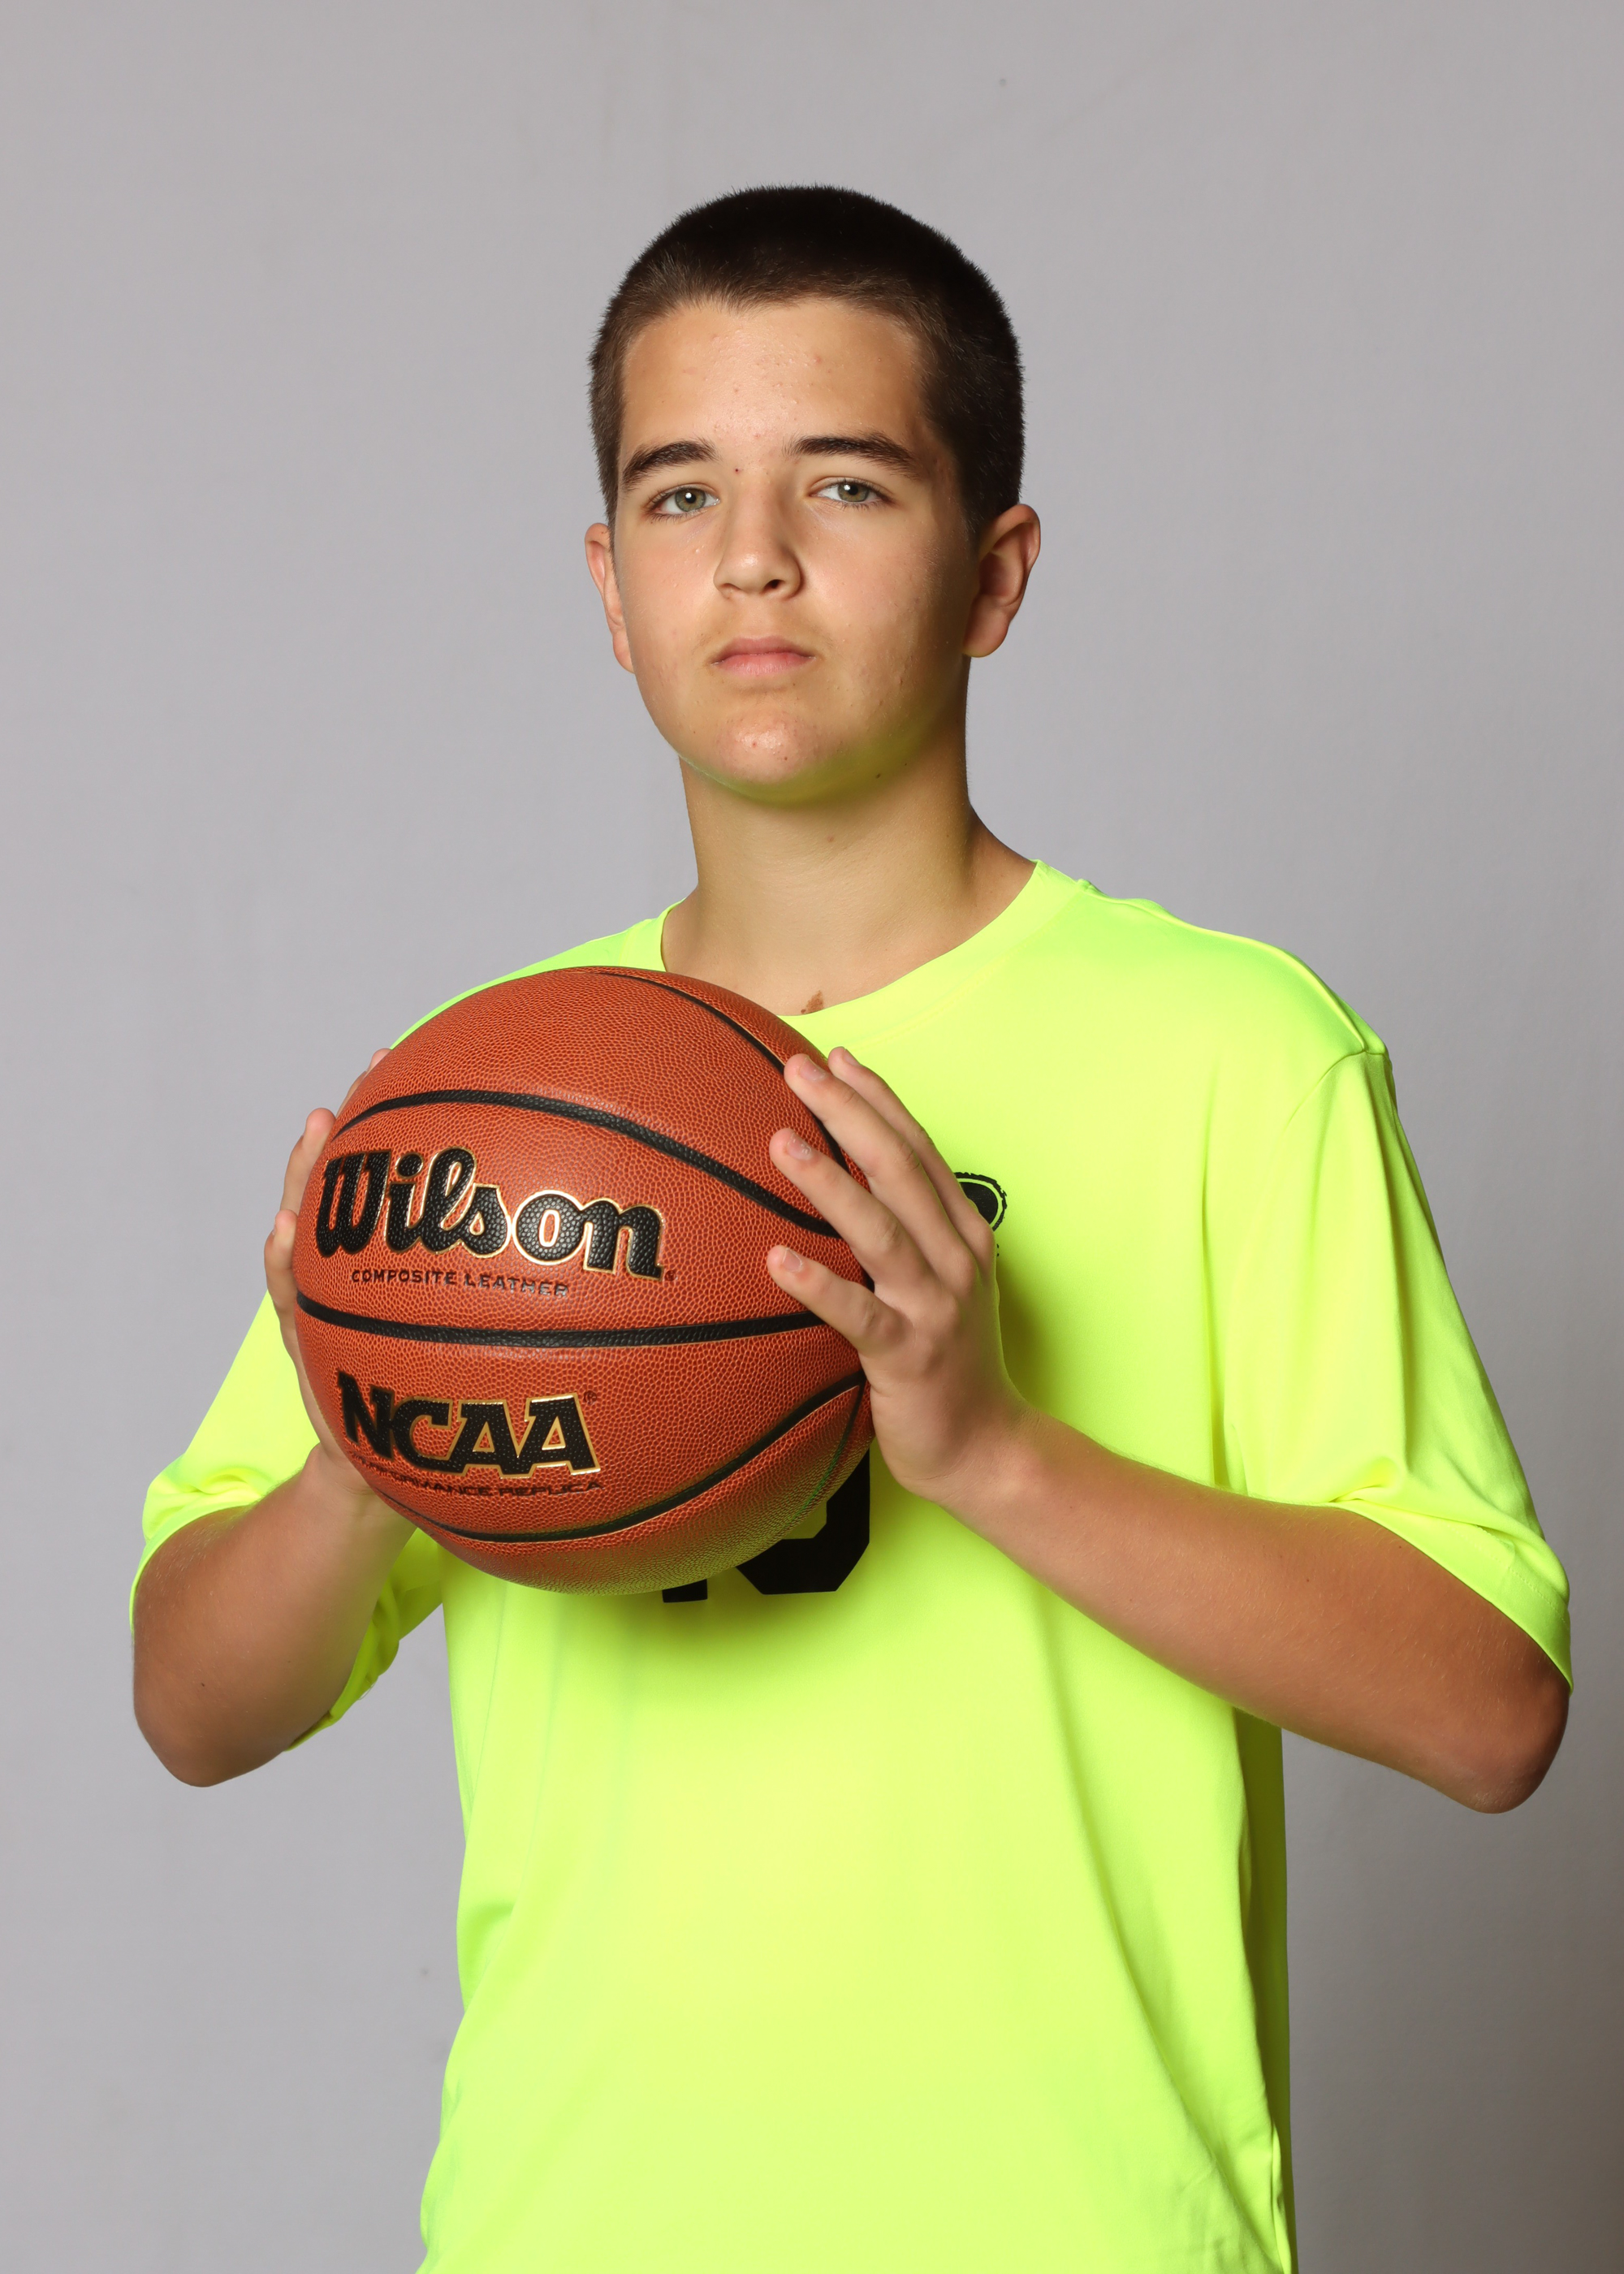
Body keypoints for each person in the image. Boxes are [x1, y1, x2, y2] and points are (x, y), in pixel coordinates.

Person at [132, 188, 1570, 2273]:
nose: (754, 555)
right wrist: (374, 1437)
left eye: (847, 482)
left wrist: (994, 1448)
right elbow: (193, 1703)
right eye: (680, 490)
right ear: (610, 585)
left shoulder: (1234, 1053)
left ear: (995, 574)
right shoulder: (491, 1095)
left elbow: (1489, 1709)